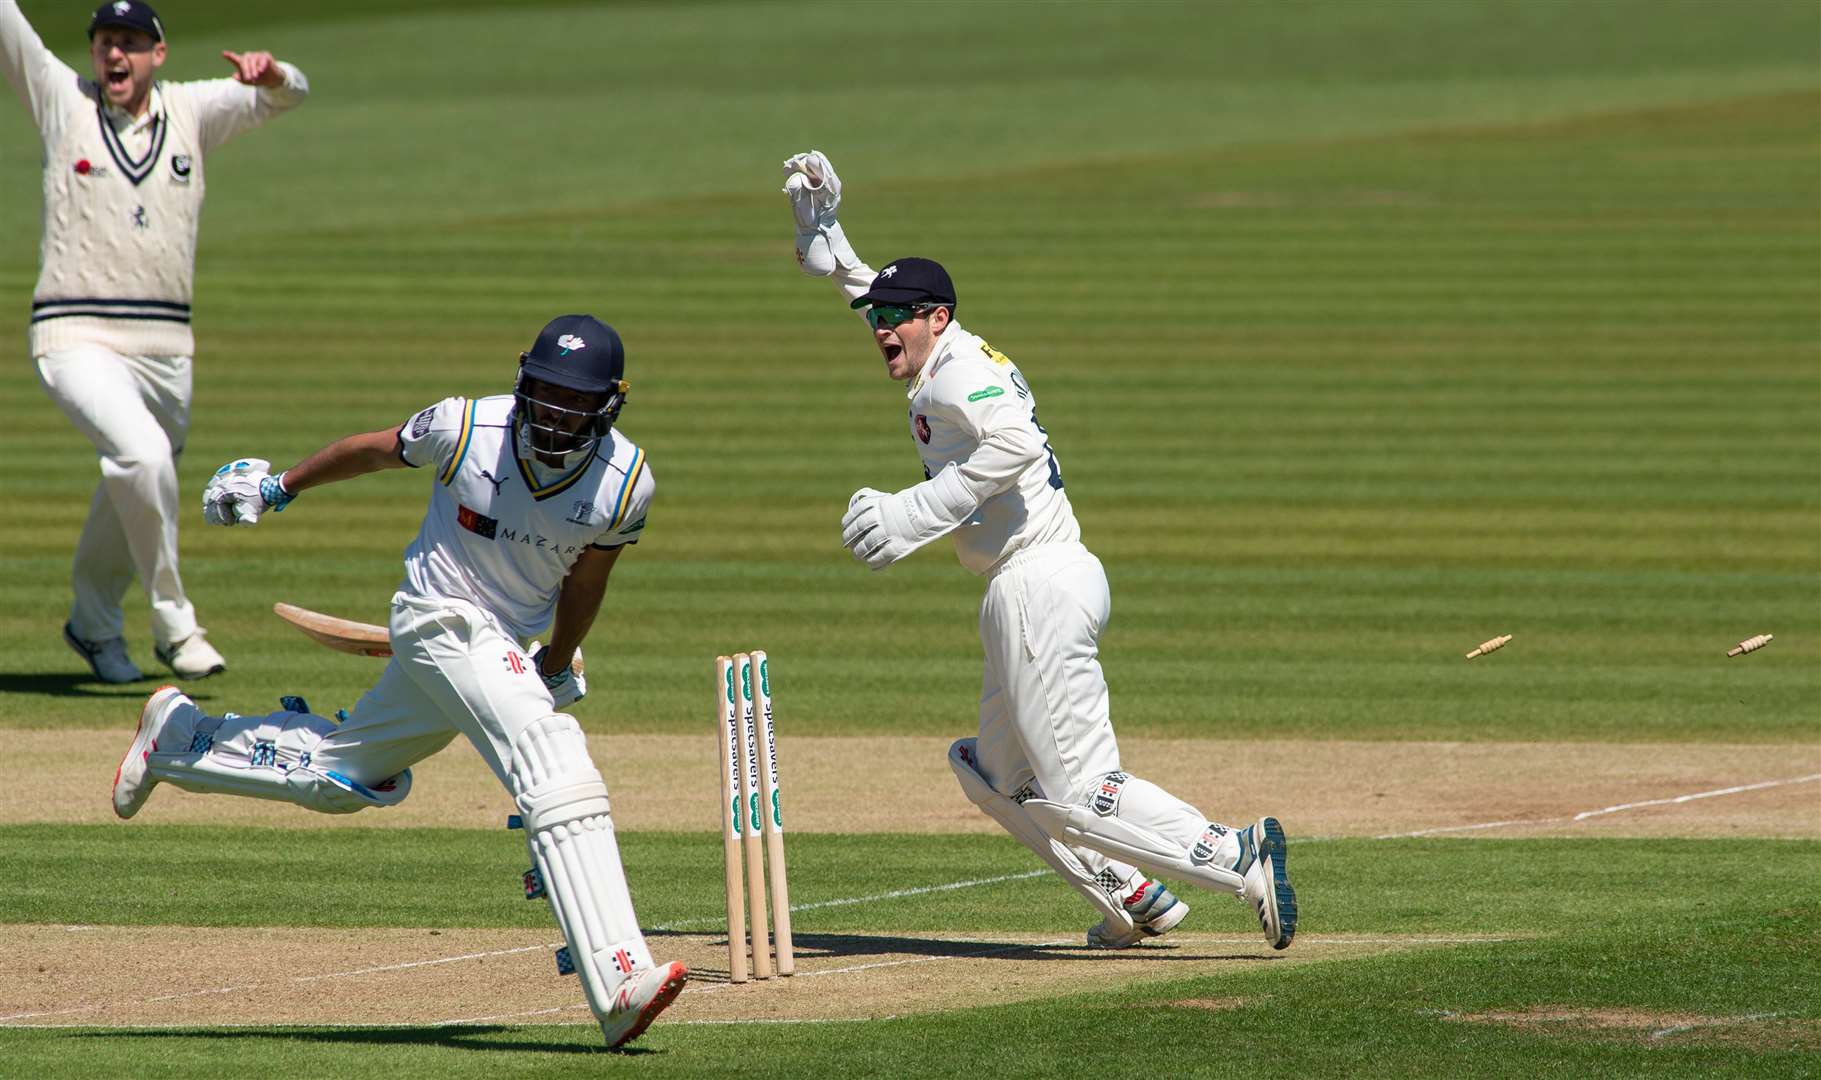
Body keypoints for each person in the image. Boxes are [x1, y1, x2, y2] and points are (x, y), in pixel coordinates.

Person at [109, 315, 688, 1048]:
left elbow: (585, 582)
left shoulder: (627, 482)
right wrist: (278, 487)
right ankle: (617, 981)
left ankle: (181, 740)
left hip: (499, 645)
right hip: (437, 616)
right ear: (524, 382)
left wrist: (553, 658)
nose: (556, 410)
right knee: (552, 754)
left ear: (608, 404)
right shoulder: (465, 424)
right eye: (545, 392)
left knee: (342, 775)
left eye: (575, 400)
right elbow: (374, 452)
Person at [782, 151, 1298, 950]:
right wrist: (829, 238)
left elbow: (1015, 445)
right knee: (991, 773)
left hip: (1035, 586)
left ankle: (1237, 855)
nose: (881, 326)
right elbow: (869, 293)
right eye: (876, 315)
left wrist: (913, 512)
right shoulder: (944, 351)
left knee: (1078, 788)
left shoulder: (956, 375)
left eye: (898, 315)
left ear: (939, 318)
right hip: (1035, 585)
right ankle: (1131, 896)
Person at [1, 1, 310, 683]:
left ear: (158, 54)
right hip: (75, 331)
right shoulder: (62, 100)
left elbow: (291, 95)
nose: (116, 54)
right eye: (106, 41)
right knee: (141, 457)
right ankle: (175, 623)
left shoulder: (191, 110)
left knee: (138, 479)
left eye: (132, 42)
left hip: (168, 347)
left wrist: (271, 71)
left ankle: (92, 624)